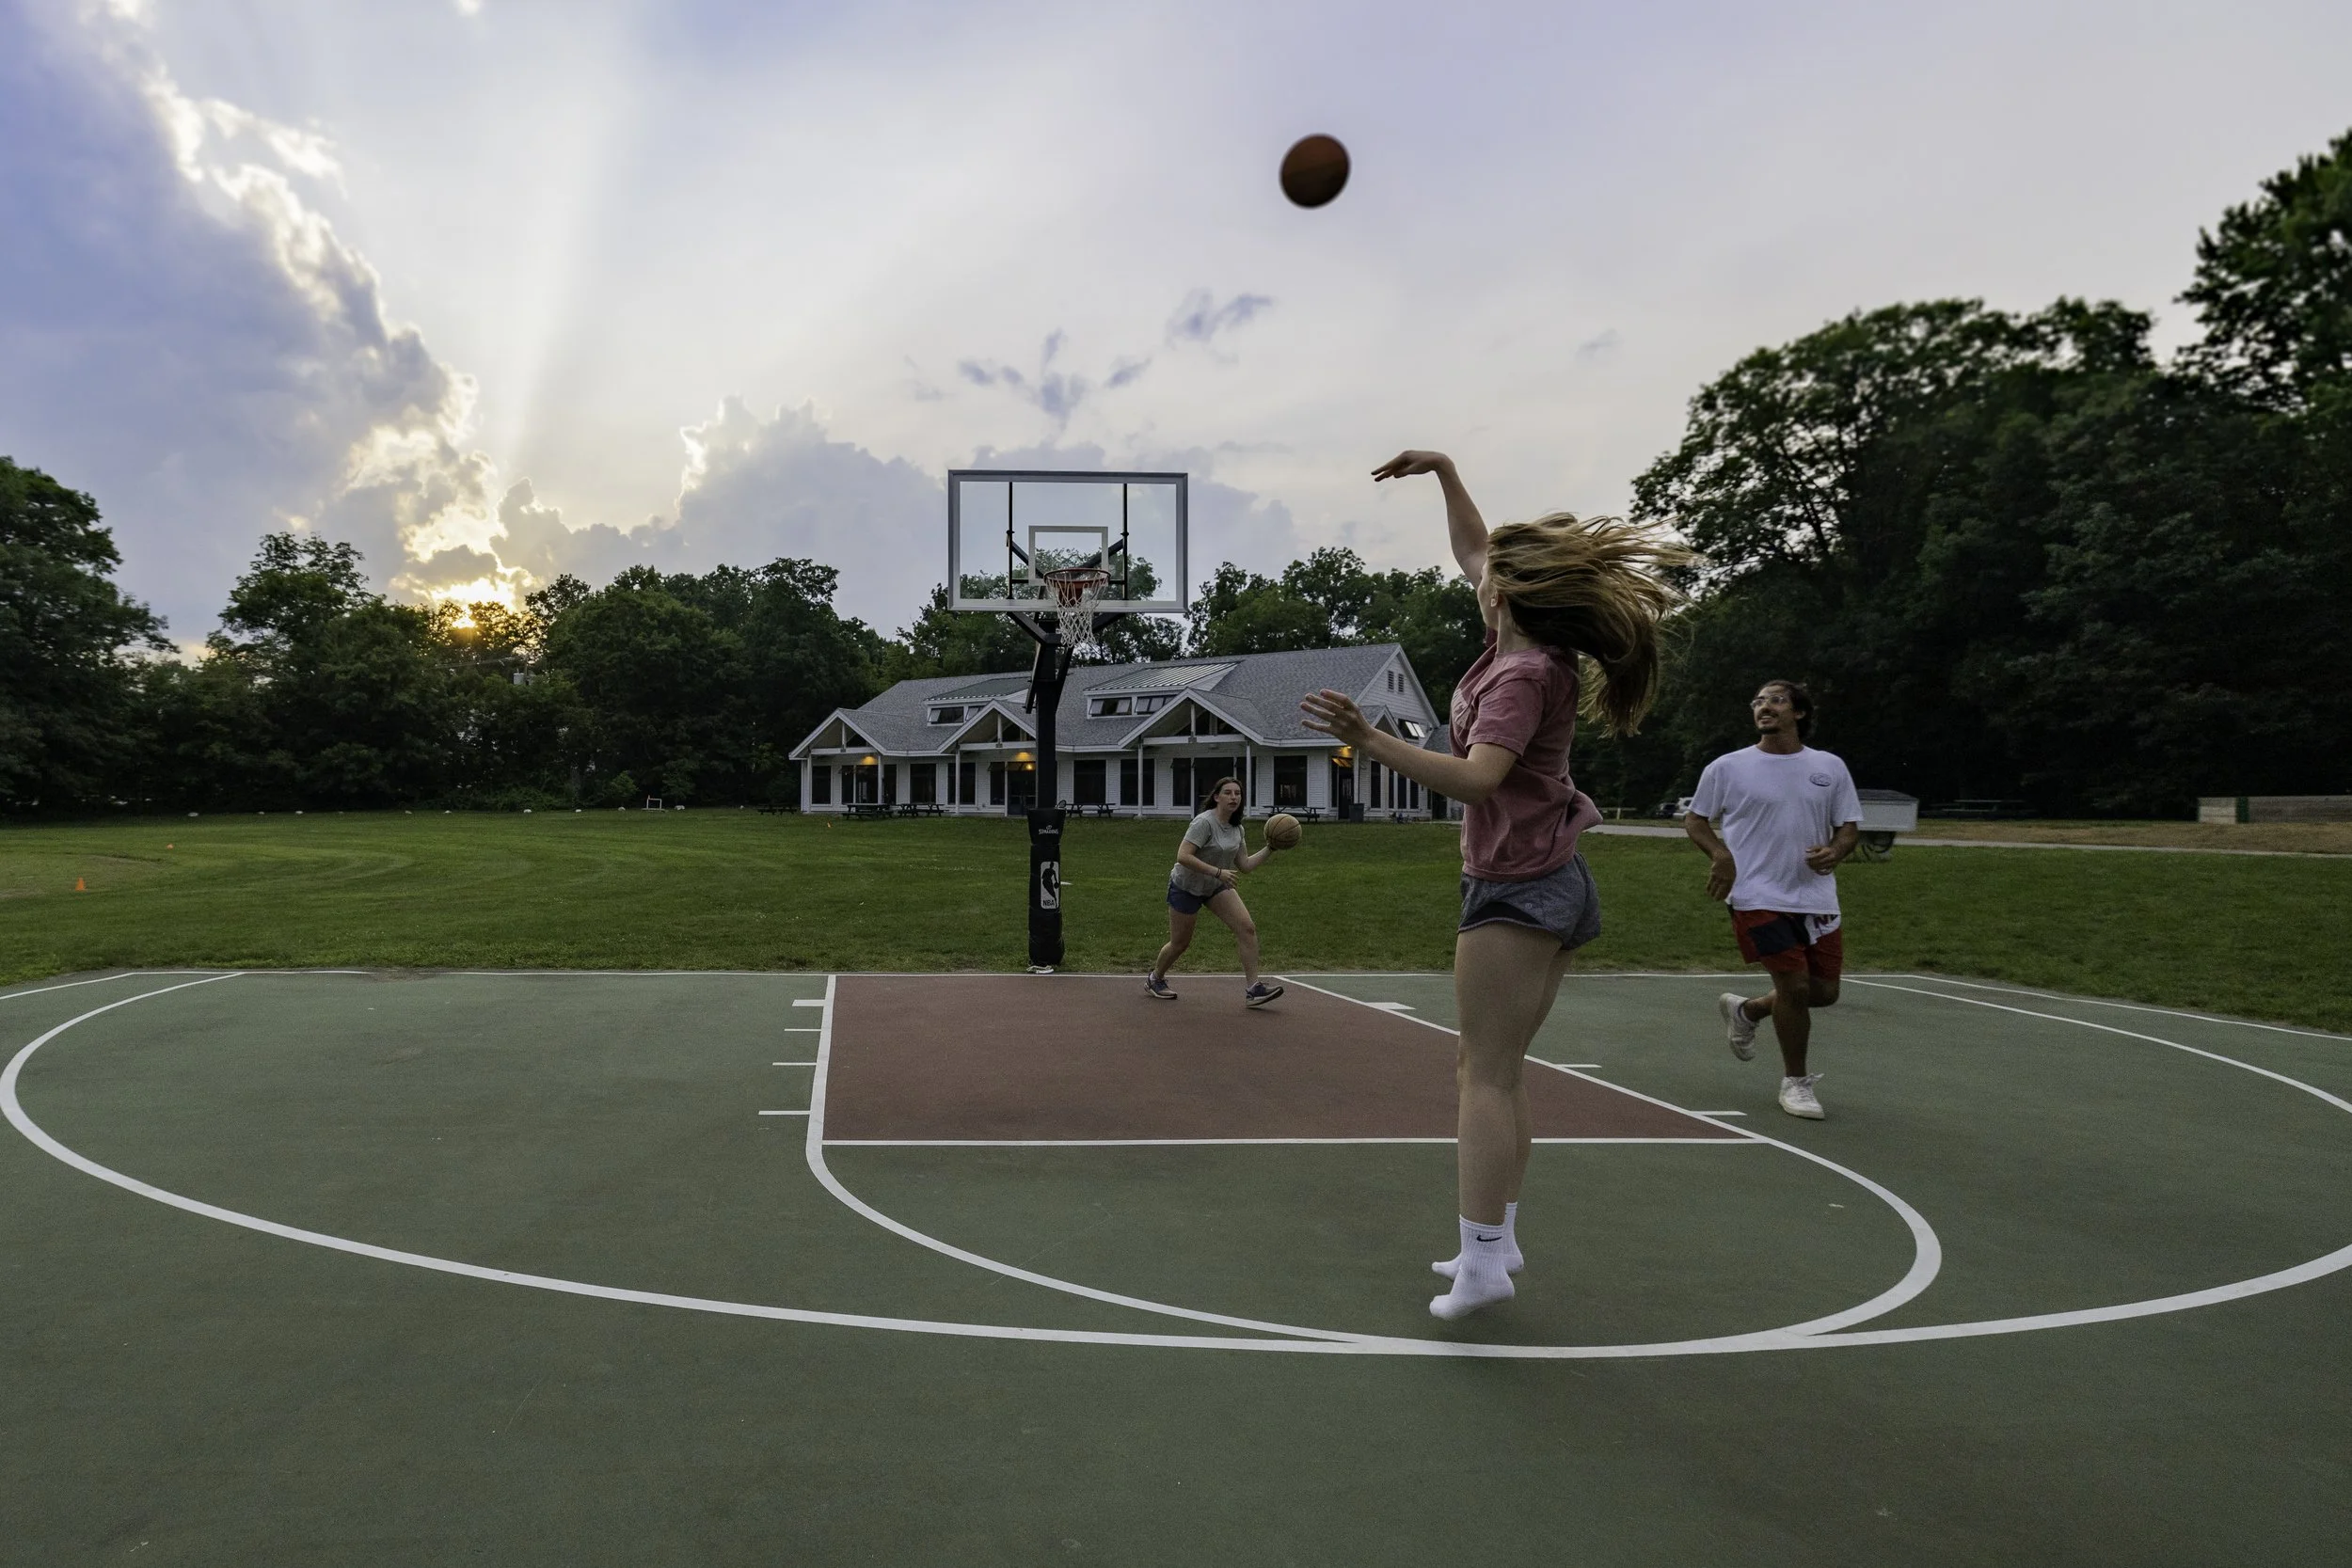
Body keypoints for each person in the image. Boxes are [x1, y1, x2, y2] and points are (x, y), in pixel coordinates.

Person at [1302, 449, 1686, 1320]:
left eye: (1489, 577)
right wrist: (1444, 471)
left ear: (1506, 596)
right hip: (1545, 877)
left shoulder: (1521, 674)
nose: (1477, 577)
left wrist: (1372, 740)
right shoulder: (1515, 639)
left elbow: (1478, 779)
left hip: (1518, 885)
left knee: (1483, 1075)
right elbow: (1474, 550)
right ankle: (1497, 1240)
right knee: (1497, 1068)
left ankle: (1481, 1263)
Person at [1681, 680, 1862, 1120]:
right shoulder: (1728, 766)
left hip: (1816, 895)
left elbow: (1849, 826)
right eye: (1758, 701)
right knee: (1795, 987)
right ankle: (1796, 1083)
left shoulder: (1829, 767)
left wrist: (1836, 851)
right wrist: (1720, 854)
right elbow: (1696, 819)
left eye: (1776, 700)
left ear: (1798, 713)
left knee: (1823, 992)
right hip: (1755, 892)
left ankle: (1747, 1010)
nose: (1765, 707)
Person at [1148, 776, 1287, 1007]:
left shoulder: (1237, 828)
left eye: (1238, 793)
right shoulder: (1204, 823)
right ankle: (1155, 978)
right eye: (1228, 793)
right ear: (1216, 797)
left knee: (1247, 928)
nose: (1234, 797)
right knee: (1180, 944)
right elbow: (1183, 856)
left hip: (1215, 886)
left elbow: (1244, 865)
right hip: (1186, 887)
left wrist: (1271, 847)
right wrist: (1217, 871)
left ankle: (1254, 989)